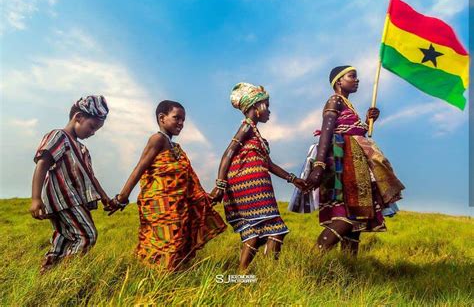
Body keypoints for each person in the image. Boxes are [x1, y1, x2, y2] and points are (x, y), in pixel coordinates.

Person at [111, 100, 226, 270]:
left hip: (177, 206)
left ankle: (170, 279)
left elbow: (186, 178)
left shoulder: (175, 146)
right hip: (160, 206)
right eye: (177, 118)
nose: (181, 123)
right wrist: (122, 197)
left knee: (177, 242)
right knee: (165, 244)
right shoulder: (157, 139)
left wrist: (203, 197)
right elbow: (139, 168)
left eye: (183, 120)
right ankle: (157, 279)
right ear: (162, 118)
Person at [305, 66, 405, 256]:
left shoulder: (348, 105)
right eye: (352, 76)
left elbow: (352, 132)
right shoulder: (334, 100)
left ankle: (349, 272)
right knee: (345, 217)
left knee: (356, 222)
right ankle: (312, 261)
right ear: (339, 82)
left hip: (355, 163)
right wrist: (319, 165)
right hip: (341, 164)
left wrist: (367, 121)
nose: (357, 80)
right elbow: (326, 133)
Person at [210, 82, 306, 270]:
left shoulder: (254, 133)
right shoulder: (246, 127)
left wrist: (293, 179)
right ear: (256, 107)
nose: (269, 111)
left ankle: (241, 276)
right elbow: (228, 152)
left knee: (252, 234)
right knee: (276, 231)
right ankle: (270, 274)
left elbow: (268, 164)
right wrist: (220, 184)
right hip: (250, 187)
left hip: (249, 186)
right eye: (266, 106)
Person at [30, 95, 111, 274]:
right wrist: (35, 198)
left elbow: (91, 176)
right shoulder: (59, 136)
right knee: (87, 235)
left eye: (97, 129)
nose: (93, 132)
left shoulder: (82, 149)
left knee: (64, 238)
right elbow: (42, 163)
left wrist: (105, 198)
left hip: (74, 200)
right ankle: (66, 275)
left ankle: (47, 274)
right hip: (64, 199)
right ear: (78, 117)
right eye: (92, 126)